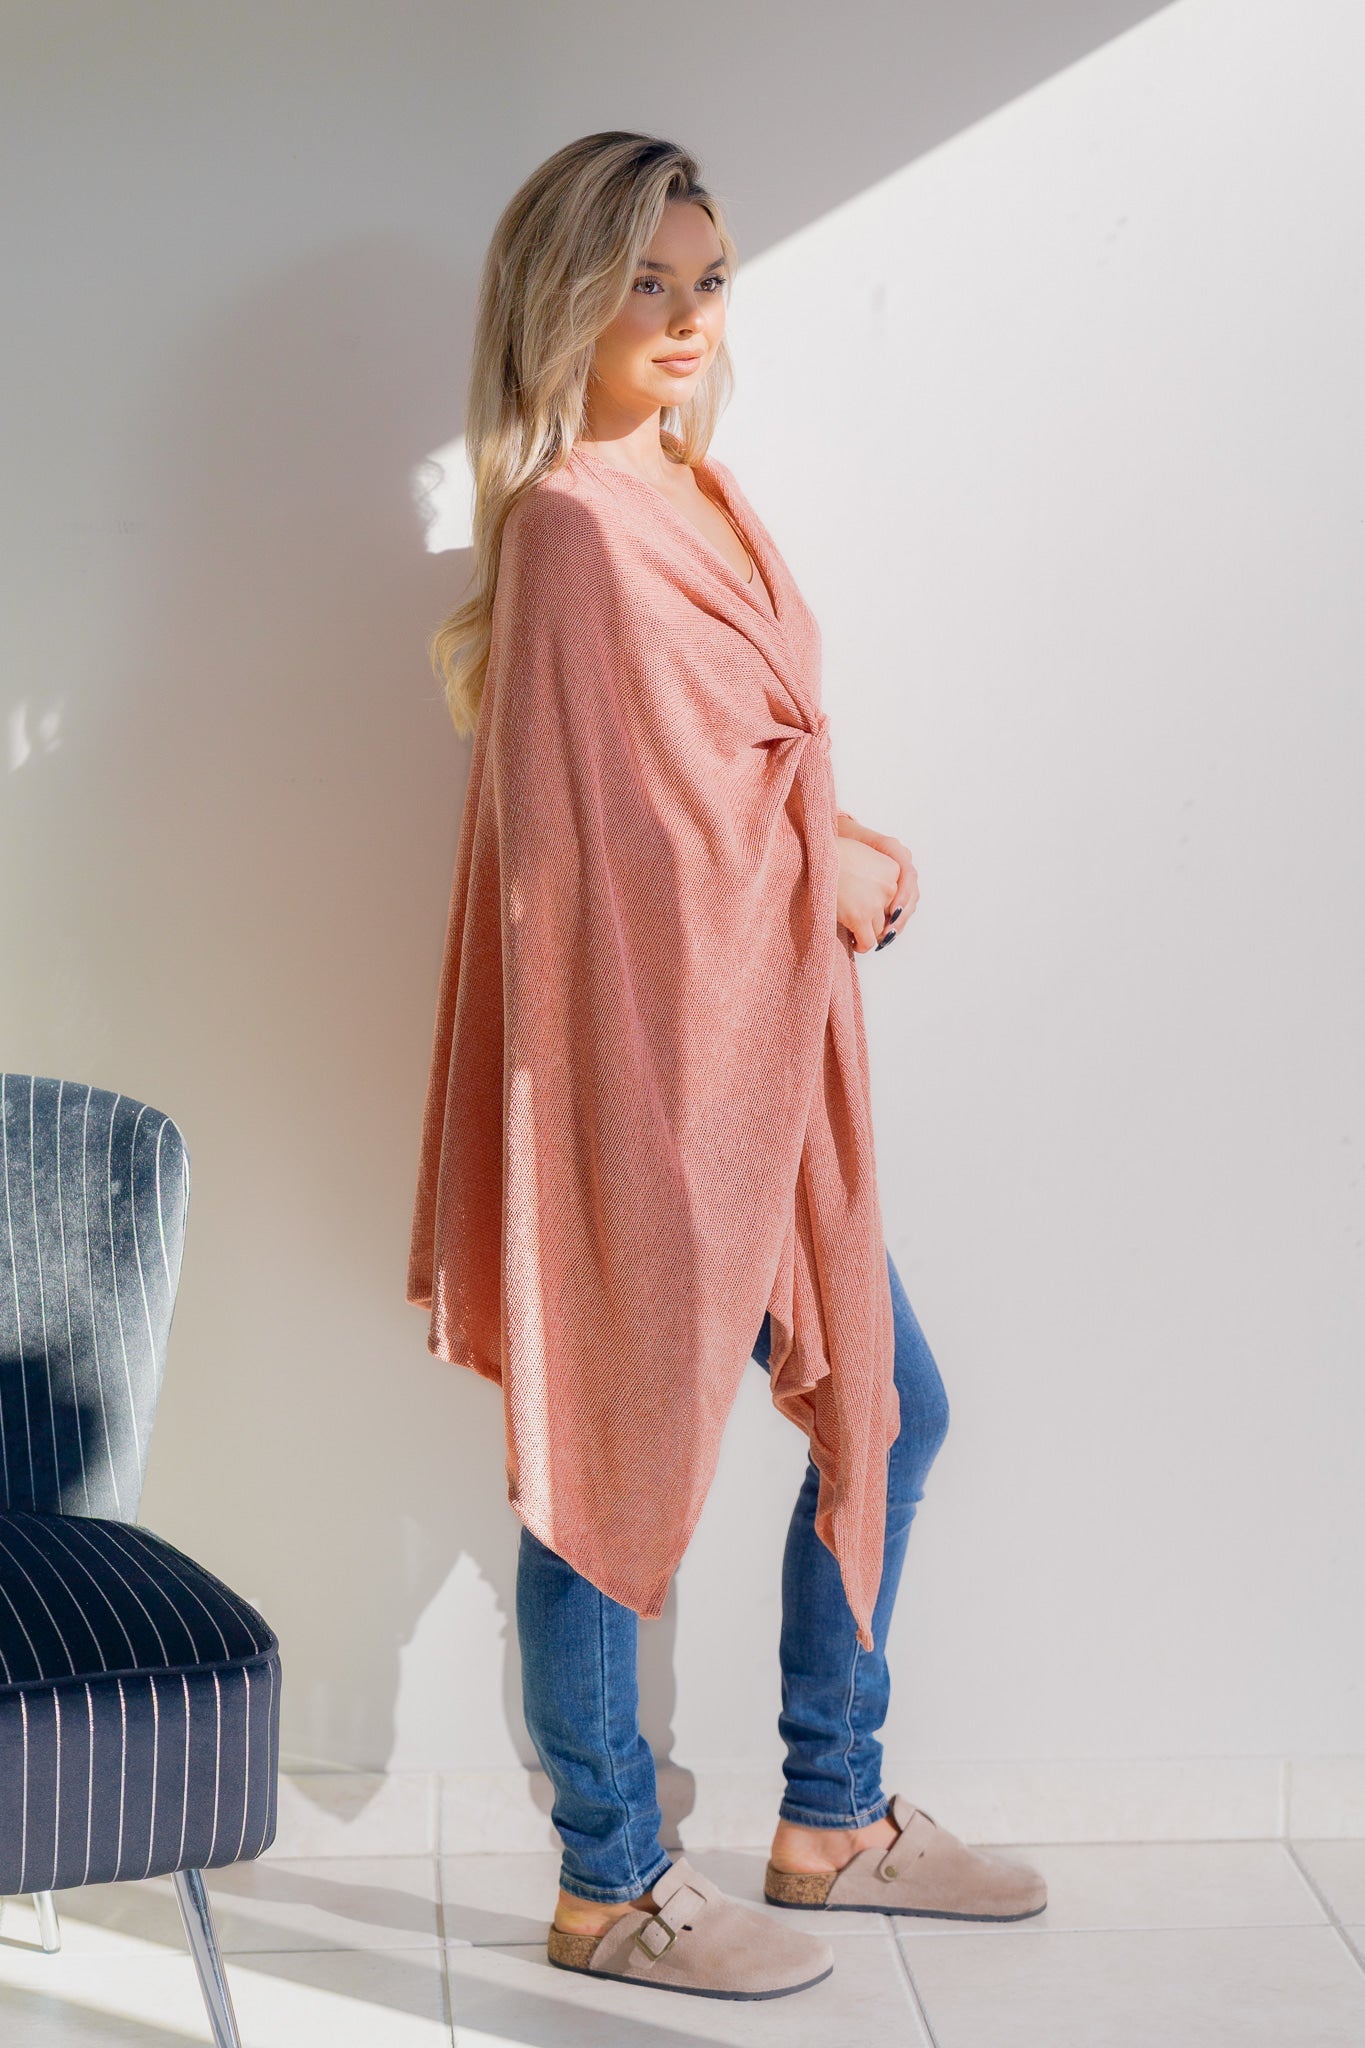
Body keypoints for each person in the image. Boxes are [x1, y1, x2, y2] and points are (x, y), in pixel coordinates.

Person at [408, 131, 1047, 2002]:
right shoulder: (569, 528)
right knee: (609, 1455)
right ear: (564, 296)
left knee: (891, 1405)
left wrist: (822, 844)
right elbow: (605, 848)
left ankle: (828, 1817)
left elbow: (726, 769)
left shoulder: (701, 490)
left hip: (759, 1061)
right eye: (644, 283)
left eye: (706, 283)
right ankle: (610, 1883)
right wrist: (809, 865)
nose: (685, 319)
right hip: (647, 1075)